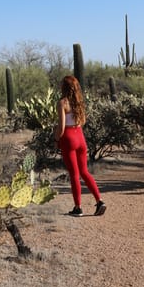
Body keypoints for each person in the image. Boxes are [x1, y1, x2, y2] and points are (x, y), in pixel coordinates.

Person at [55, 75, 106, 217]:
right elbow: (82, 121)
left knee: (74, 175)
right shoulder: (79, 102)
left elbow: (62, 127)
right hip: (80, 137)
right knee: (85, 171)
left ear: (64, 87)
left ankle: (78, 207)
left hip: (69, 138)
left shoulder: (62, 103)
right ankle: (99, 201)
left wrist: (56, 137)